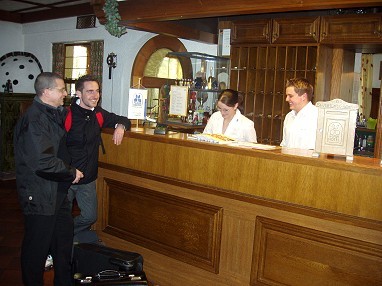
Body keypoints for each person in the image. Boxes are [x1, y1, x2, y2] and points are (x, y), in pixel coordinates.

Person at [13, 72, 84, 286]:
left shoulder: (52, 113)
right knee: (37, 250)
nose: (65, 93)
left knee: (62, 244)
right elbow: (42, 161)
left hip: (57, 191)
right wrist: (71, 172)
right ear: (46, 92)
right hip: (40, 193)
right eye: (61, 89)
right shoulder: (34, 120)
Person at [66, 75, 131, 241]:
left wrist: (121, 127)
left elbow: (122, 119)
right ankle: (57, 245)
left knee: (89, 216)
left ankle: (65, 236)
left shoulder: (98, 114)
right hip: (65, 177)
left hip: (87, 177)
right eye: (90, 91)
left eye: (97, 91)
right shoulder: (66, 115)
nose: (95, 95)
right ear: (78, 93)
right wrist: (67, 170)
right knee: (60, 217)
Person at [280, 77, 318, 149]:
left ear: (303, 97)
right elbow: (284, 144)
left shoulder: (317, 116)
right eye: (286, 96)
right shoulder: (289, 116)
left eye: (290, 96)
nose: (286, 99)